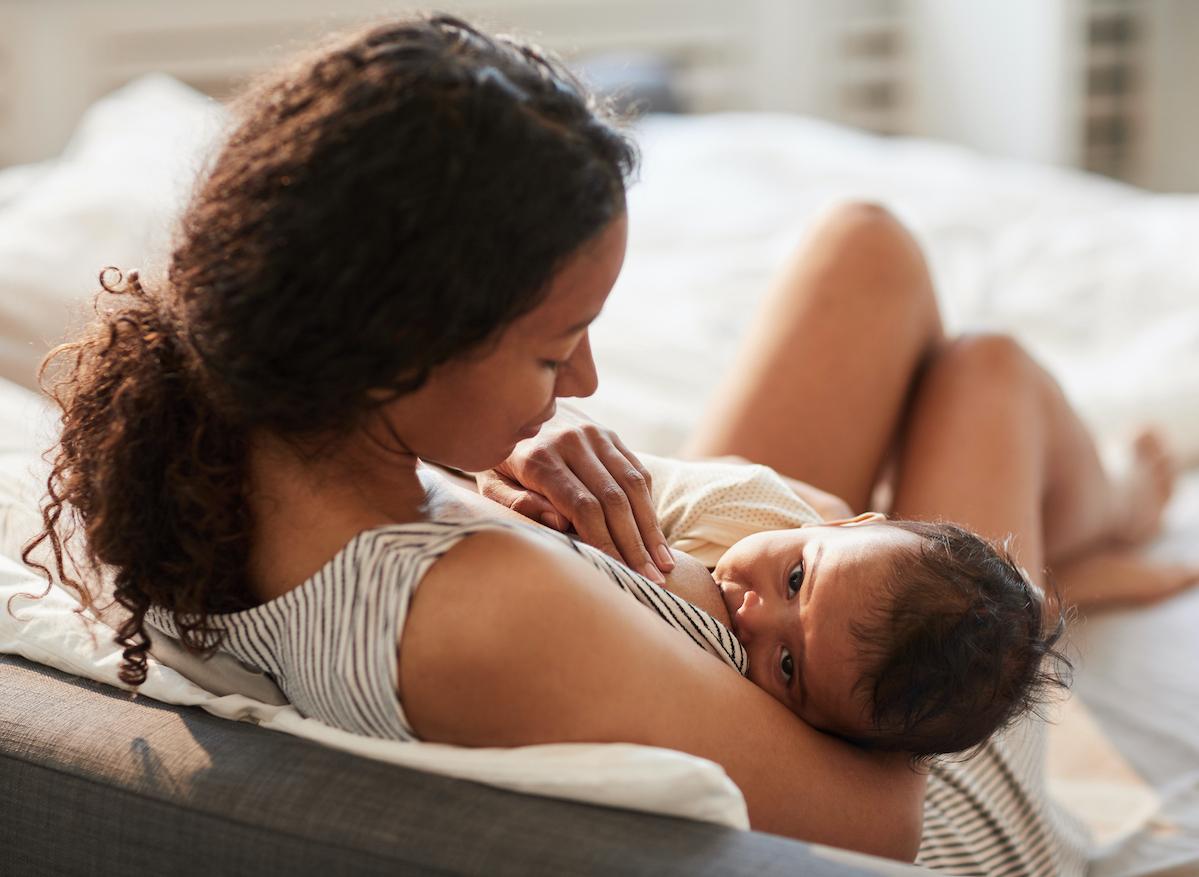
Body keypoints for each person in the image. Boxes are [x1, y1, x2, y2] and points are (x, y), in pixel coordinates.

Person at [20, 12, 1195, 870]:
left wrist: (494, 475)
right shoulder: (478, 612)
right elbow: (881, 824)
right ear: (399, 346)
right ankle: (1080, 541)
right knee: (984, 373)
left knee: (864, 249)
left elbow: (597, 604)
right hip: (921, 769)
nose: (582, 379)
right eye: (551, 349)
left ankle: (1073, 537)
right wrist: (825, 572)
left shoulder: (224, 440)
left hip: (715, 622)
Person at [625, 452, 1065, 759]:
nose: (750, 615)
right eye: (795, 580)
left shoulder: (807, 730)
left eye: (787, 666)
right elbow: (616, 480)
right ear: (843, 523)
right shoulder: (742, 501)